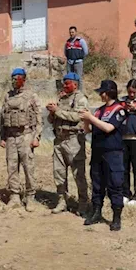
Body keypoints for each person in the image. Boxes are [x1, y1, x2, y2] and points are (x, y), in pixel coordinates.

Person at [80, 80, 127, 231]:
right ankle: (96, 212)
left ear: (108, 93)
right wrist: (86, 120)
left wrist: (91, 118)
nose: (100, 95)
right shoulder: (99, 110)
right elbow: (88, 130)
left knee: (115, 184)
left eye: (102, 92)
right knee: (97, 183)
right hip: (97, 151)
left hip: (113, 153)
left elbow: (108, 128)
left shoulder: (119, 109)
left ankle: (116, 217)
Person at [0, 68, 42, 211]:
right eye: (12, 78)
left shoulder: (31, 96)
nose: (13, 81)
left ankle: (30, 197)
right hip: (11, 136)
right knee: (11, 167)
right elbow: (2, 117)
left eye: (16, 78)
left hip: (26, 135)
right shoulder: (7, 96)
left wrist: (36, 137)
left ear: (23, 79)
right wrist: (2, 137)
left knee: (28, 167)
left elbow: (39, 119)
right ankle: (15, 196)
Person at [46, 73, 89, 215]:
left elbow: (77, 117)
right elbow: (52, 120)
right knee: (58, 173)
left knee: (78, 174)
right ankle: (62, 201)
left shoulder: (80, 99)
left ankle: (83, 203)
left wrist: (57, 111)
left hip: (73, 140)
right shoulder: (61, 98)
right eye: (64, 83)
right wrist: (51, 112)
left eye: (68, 83)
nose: (65, 85)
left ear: (75, 84)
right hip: (59, 140)